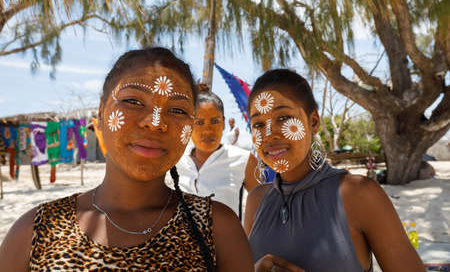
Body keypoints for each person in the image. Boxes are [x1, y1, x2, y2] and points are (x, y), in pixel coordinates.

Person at [0, 47, 253, 271]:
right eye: (133, 101)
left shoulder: (218, 230)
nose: (155, 123)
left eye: (177, 110)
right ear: (101, 110)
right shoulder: (36, 230)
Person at [244, 69, 424, 272]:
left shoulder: (357, 194)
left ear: (313, 122)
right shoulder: (256, 201)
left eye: (283, 118)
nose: (268, 134)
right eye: (258, 124)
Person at [166, 86, 251, 217]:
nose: (207, 130)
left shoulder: (244, 160)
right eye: (199, 122)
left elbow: (261, 211)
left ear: (223, 123)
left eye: (215, 121)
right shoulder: (175, 159)